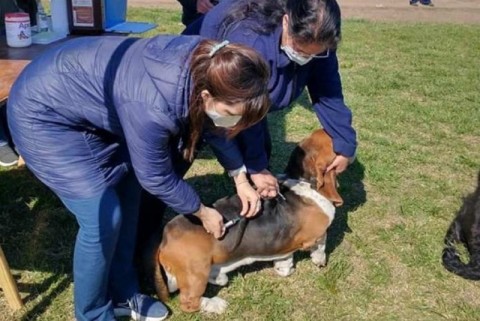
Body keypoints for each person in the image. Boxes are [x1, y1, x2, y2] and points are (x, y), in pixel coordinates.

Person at [7, 35, 270, 321]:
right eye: (232, 114)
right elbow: (155, 177)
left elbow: (213, 127)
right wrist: (201, 211)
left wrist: (240, 178)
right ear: (207, 97)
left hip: (91, 109)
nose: (234, 124)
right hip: (43, 116)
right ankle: (93, 314)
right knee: (102, 217)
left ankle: (123, 293)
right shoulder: (154, 107)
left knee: (129, 195)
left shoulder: (213, 67)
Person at [184, 0, 357, 199]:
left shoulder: (321, 39)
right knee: (191, 140)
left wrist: (345, 141)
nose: (305, 58)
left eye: (314, 54)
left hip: (249, 94)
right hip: (210, 78)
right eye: (300, 50)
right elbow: (245, 110)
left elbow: (327, 89)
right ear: (285, 22)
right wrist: (256, 166)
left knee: (257, 150)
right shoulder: (250, 42)